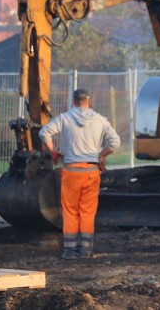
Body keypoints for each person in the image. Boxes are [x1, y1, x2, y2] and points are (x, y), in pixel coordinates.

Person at [39, 88, 121, 259]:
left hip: (71, 171)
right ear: (88, 102)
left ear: (74, 102)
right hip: (91, 172)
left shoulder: (65, 118)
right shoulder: (100, 120)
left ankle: (69, 250)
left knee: (70, 210)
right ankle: (85, 250)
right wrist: (102, 155)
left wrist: (53, 150)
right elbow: (115, 142)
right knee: (87, 211)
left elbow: (44, 132)